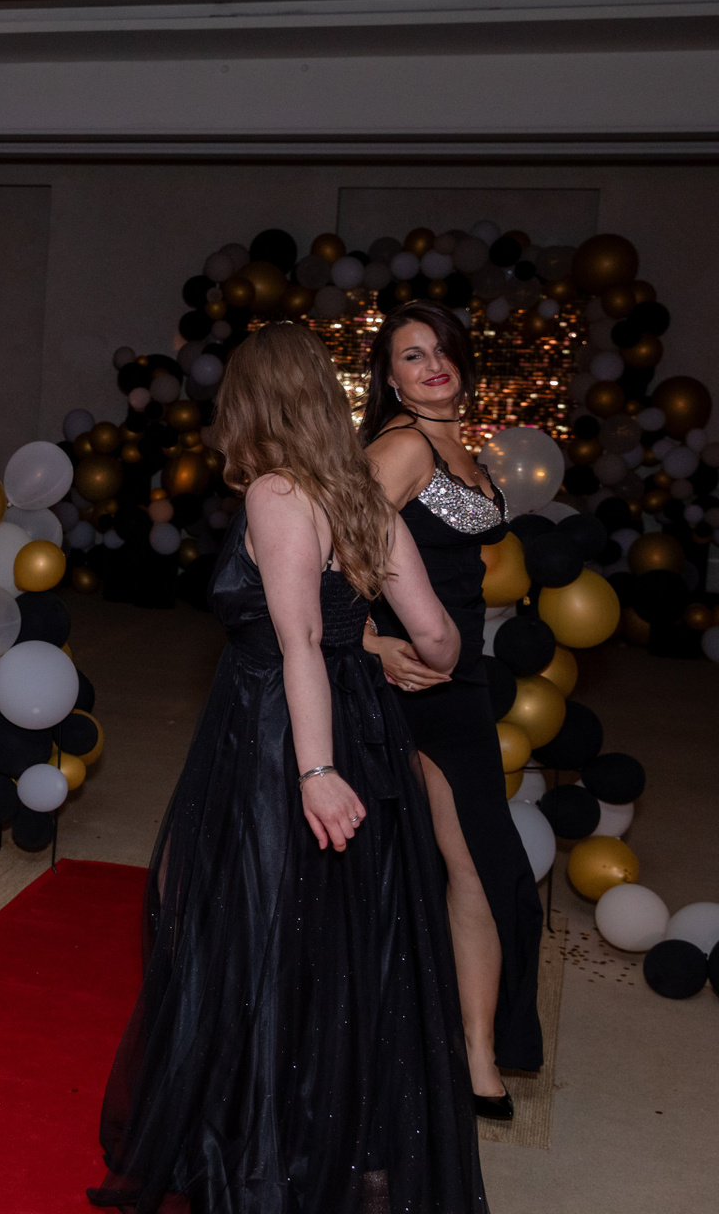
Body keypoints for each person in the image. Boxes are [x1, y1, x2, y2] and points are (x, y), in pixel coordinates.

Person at [88, 323, 484, 1212]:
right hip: (367, 721)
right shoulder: (362, 495)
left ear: (251, 401)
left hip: (278, 731)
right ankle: (355, 1150)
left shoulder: (278, 491)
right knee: (348, 938)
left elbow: (298, 639)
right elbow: (438, 638)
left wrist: (313, 772)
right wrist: (393, 657)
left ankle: (270, 1155)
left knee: (259, 930)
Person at [361, 299, 543, 1115]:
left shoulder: (458, 445)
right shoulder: (401, 446)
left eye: (441, 350)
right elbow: (322, 557)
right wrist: (371, 645)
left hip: (459, 680)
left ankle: (474, 1049)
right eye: (411, 355)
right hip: (403, 681)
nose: (432, 365)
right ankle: (446, 1051)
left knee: (477, 867)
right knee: (451, 863)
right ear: (389, 377)